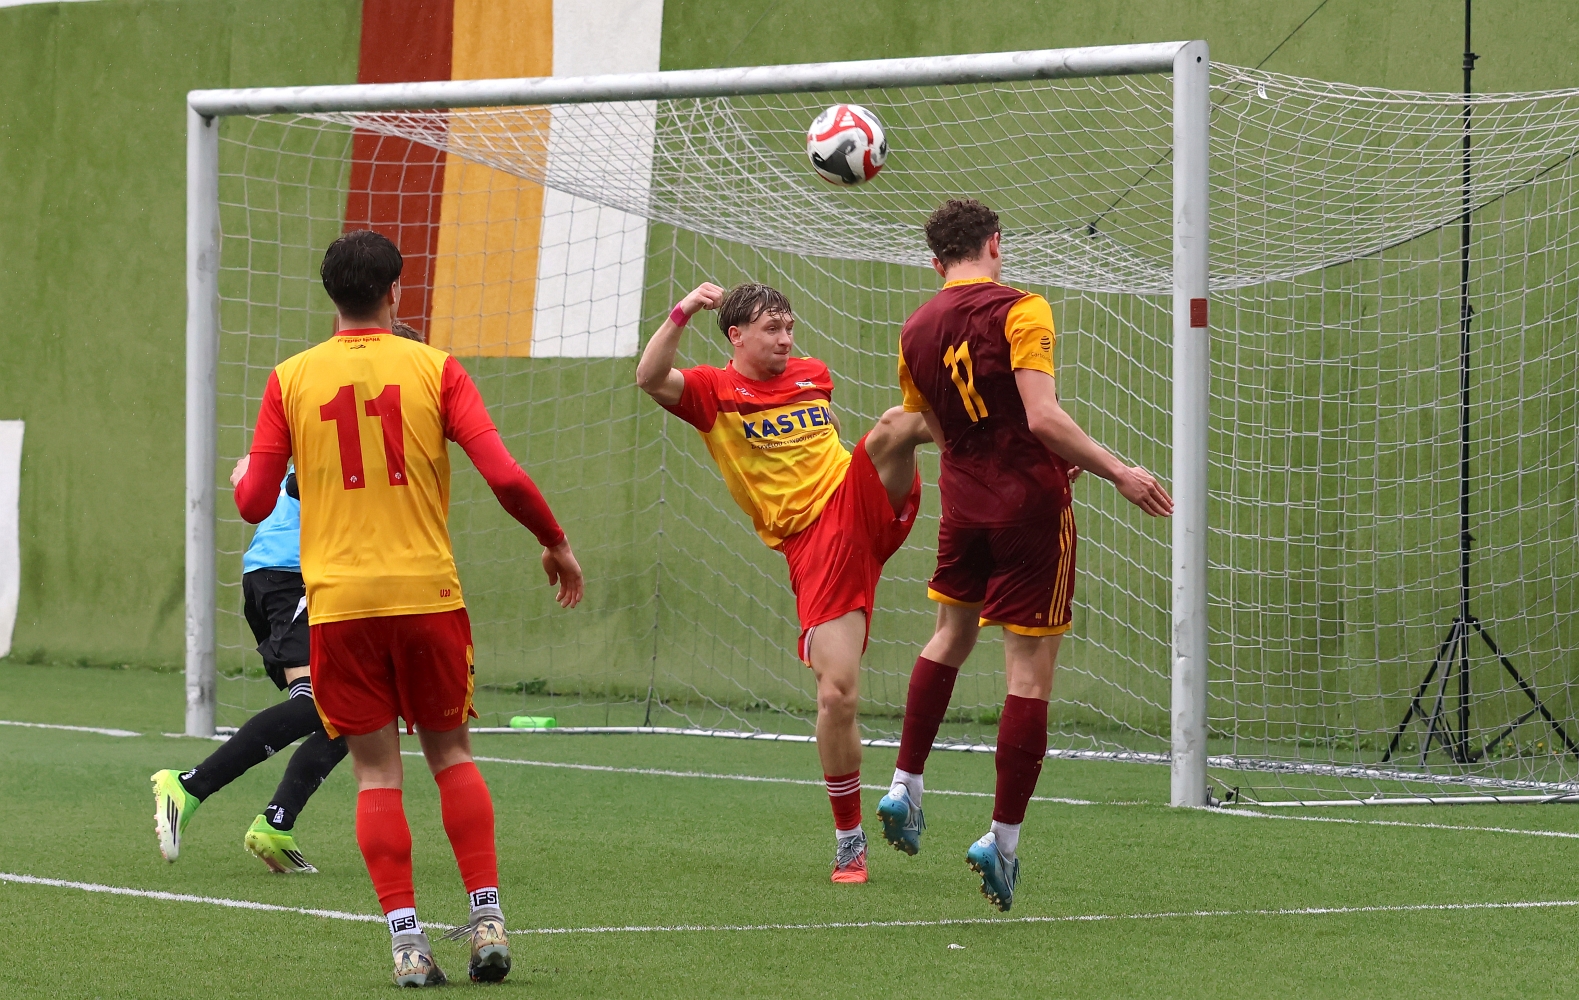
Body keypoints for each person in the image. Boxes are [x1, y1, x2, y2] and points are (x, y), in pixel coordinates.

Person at [231, 230, 583, 986]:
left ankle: (407, 945)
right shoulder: (435, 368)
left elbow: (254, 502)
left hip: (340, 608)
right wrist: (554, 542)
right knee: (452, 756)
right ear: (396, 290)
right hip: (426, 595)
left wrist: (248, 477)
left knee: (375, 775)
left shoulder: (290, 379)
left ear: (332, 296)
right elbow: (505, 476)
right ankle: (486, 920)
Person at [876, 199, 1172, 912]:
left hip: (964, 506)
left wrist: (1003, 456)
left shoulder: (914, 329)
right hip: (1030, 512)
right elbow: (1041, 415)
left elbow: (944, 431)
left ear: (935, 262)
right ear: (995, 244)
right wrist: (1118, 471)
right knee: (1029, 674)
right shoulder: (1021, 308)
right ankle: (1001, 842)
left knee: (947, 637)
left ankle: (904, 785)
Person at [636, 280, 932, 885]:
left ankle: (1019, 434)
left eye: (789, 327)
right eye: (772, 329)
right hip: (813, 546)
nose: (786, 339)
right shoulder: (713, 392)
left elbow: (836, 437)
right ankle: (850, 841)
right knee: (837, 695)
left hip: (857, 500)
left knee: (894, 426)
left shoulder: (813, 374)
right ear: (736, 336)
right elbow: (649, 377)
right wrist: (684, 309)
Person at [150, 469, 345, 874]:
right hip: (295, 573)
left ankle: (276, 824)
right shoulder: (354, 440)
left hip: (290, 573)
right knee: (321, 705)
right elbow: (302, 481)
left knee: (354, 713)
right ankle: (189, 785)